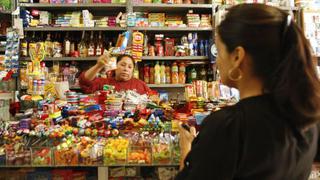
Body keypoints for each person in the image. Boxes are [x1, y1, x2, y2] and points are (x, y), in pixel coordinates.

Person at [176, 4, 320, 180]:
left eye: (219, 53)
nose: (218, 63)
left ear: (237, 57)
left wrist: (187, 150)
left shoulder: (229, 127)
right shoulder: (307, 117)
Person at [79, 54, 151, 94]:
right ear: (115, 66)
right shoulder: (105, 82)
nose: (126, 69)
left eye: (130, 67)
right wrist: (98, 66)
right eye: (123, 65)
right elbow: (84, 81)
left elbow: (152, 98)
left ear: (132, 70)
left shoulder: (140, 85)